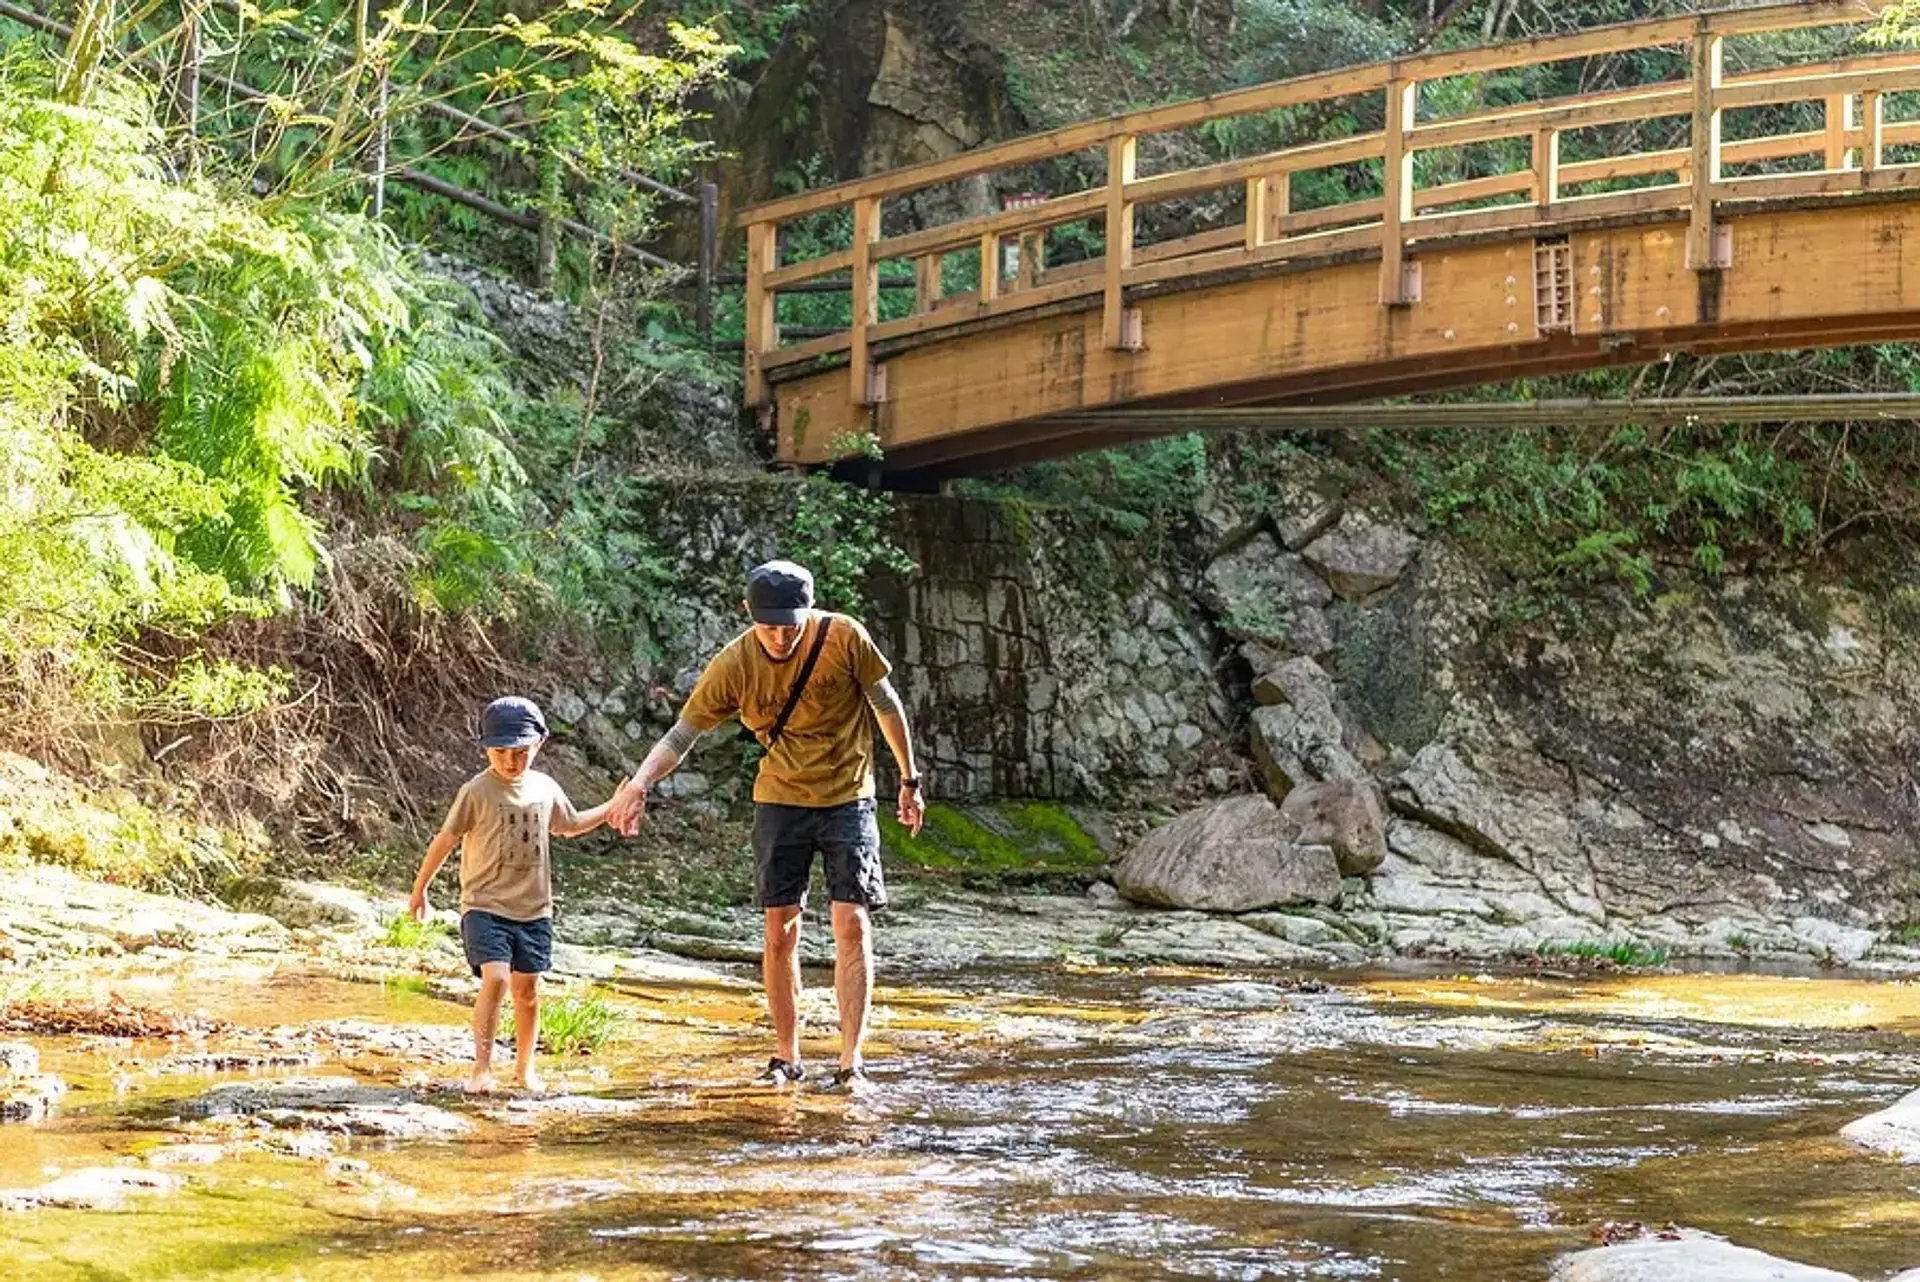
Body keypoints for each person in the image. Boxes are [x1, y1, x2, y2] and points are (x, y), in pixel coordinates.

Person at [608, 560, 924, 1094]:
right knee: (780, 929)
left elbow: (886, 705)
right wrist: (639, 782)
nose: (780, 637)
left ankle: (852, 1063)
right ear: (748, 614)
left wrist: (910, 779)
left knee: (853, 925)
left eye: (790, 625)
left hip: (849, 796)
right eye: (769, 625)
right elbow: (682, 736)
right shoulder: (734, 664)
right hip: (780, 801)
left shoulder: (844, 637)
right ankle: (786, 1057)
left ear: (810, 611)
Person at [409, 696, 625, 1095]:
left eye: (521, 753)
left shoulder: (545, 788)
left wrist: (613, 805)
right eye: (501, 752)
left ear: (539, 744)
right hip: (484, 905)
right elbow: (446, 838)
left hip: (534, 910)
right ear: (486, 748)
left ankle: (525, 1070)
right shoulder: (476, 791)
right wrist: (420, 889)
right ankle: (482, 1068)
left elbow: (571, 824)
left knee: (528, 990)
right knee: (497, 979)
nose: (510, 761)